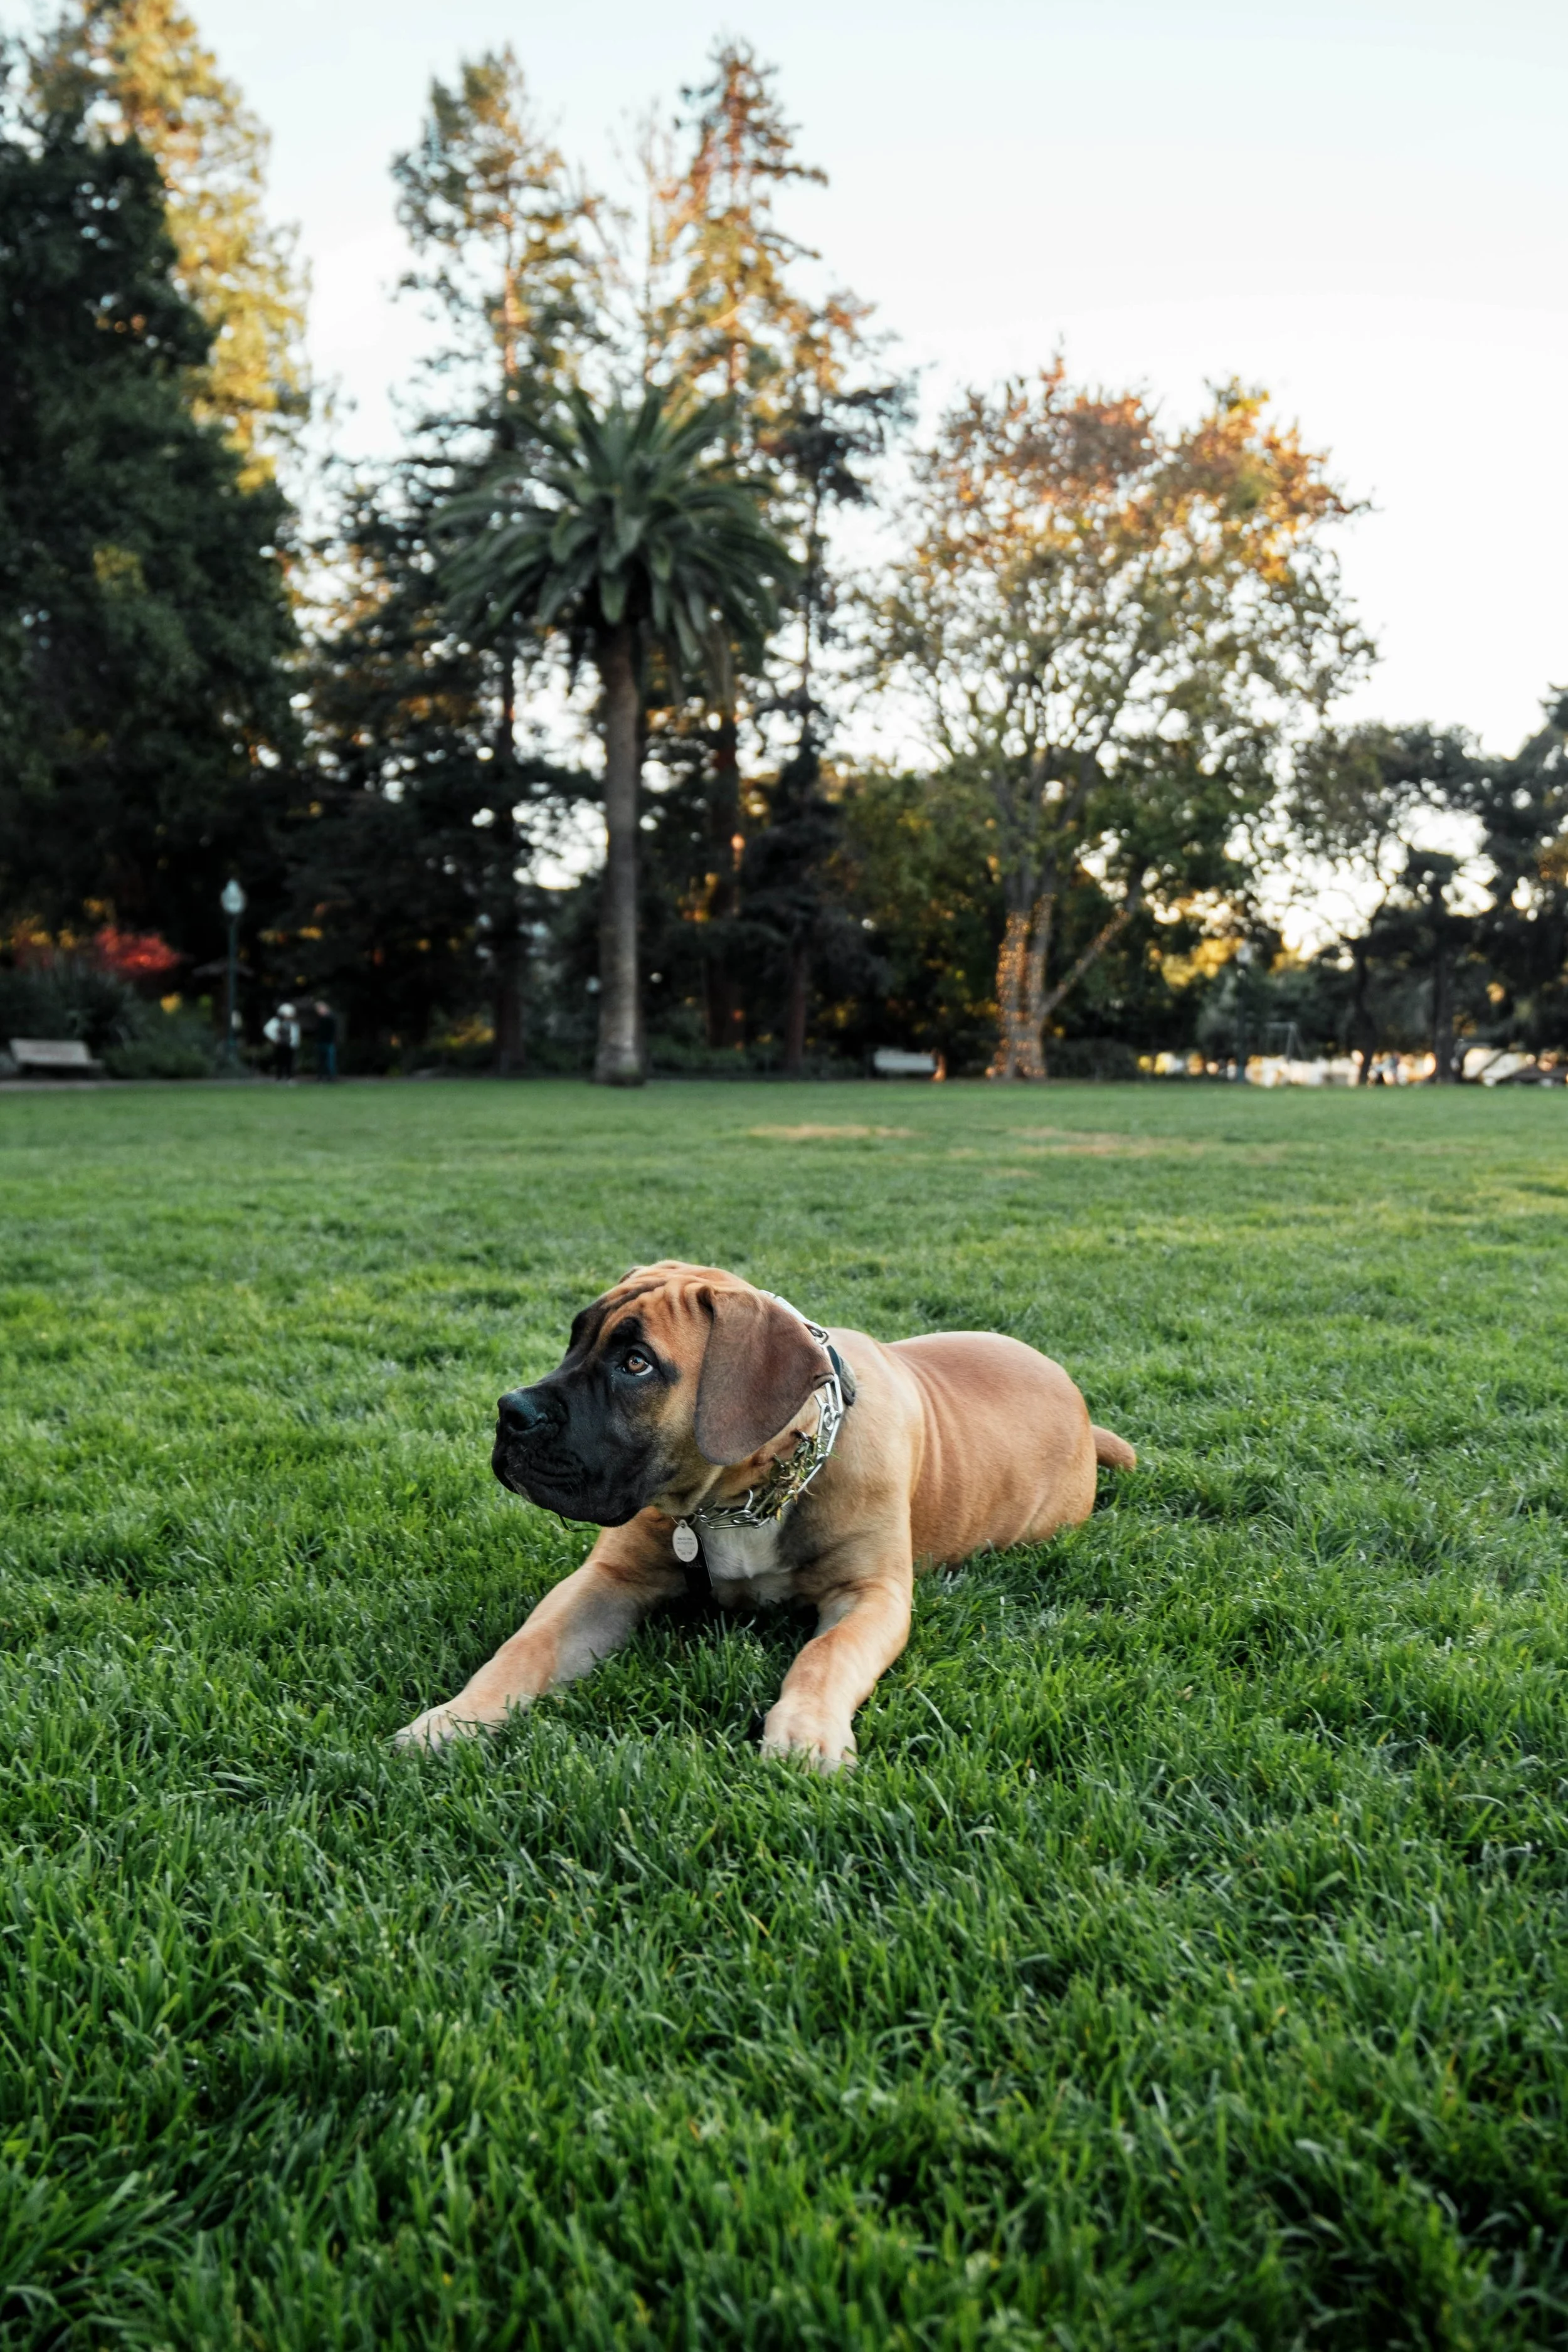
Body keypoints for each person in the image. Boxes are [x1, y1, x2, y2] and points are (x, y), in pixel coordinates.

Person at [262, 1002, 300, 1081]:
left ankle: (290, 1077)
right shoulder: (276, 1022)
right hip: (281, 1044)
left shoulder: (293, 1023)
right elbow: (267, 1030)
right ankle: (280, 1077)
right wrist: (275, 1038)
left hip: (289, 1044)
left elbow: (295, 1034)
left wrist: (295, 1043)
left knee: (290, 1061)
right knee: (280, 1061)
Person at [311, 1000, 338, 1082]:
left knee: (330, 1062)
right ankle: (321, 1076)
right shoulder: (319, 1019)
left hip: (329, 1043)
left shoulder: (331, 1019)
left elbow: (333, 1032)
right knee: (321, 1061)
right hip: (321, 1042)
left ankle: (331, 1077)